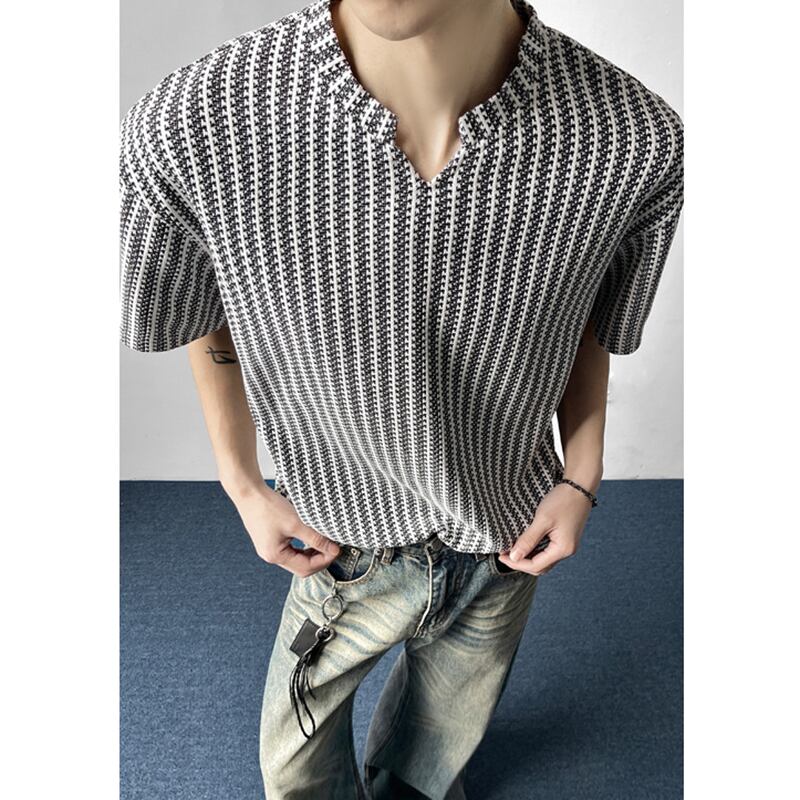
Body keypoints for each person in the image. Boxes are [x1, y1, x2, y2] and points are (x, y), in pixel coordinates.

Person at [118, 0, 683, 797]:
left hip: (504, 531)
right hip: (341, 543)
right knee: (295, 773)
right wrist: (241, 482)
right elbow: (200, 304)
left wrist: (580, 472)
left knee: (434, 755)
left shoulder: (633, 139)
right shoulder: (195, 123)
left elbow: (589, 306)